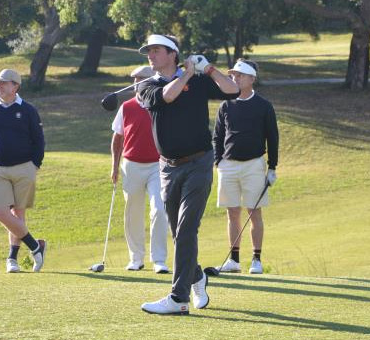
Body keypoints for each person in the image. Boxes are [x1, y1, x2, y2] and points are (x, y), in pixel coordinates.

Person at [136, 34, 240, 315]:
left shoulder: (197, 80)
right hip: (168, 167)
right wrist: (188, 75)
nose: (150, 56)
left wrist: (208, 70)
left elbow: (232, 90)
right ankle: (196, 276)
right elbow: (168, 96)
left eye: (156, 51)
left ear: (172, 54)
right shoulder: (146, 86)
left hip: (199, 163)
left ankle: (178, 298)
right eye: (149, 51)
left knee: (186, 229)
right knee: (177, 231)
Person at [0, 68, 47, 273]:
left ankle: (12, 259)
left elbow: (39, 140)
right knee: (0, 213)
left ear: (15, 86)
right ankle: (35, 246)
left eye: (3, 83)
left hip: (25, 167)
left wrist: (35, 164)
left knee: (18, 214)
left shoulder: (28, 110)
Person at [212, 59, 279, 275]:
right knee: (232, 212)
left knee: (254, 212)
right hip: (228, 165)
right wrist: (218, 161)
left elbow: (273, 138)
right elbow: (218, 137)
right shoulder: (226, 105)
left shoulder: (264, 106)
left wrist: (272, 167)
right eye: (233, 75)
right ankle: (234, 260)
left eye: (240, 75)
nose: (235, 78)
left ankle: (256, 260)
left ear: (252, 78)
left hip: (254, 165)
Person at [111, 65, 170, 274]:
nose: (137, 83)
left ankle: (159, 260)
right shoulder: (126, 107)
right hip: (132, 165)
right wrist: (114, 167)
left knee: (160, 210)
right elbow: (117, 138)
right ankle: (136, 258)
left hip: (158, 165)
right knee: (133, 213)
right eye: (135, 79)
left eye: (141, 79)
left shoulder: (160, 103)